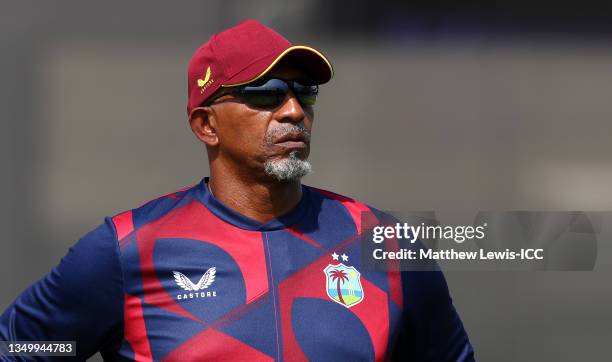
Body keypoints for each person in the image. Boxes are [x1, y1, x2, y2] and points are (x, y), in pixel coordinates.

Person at [0, 19, 474, 361]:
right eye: (266, 94)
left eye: (304, 92)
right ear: (206, 125)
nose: (293, 111)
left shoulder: (385, 243)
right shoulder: (125, 250)